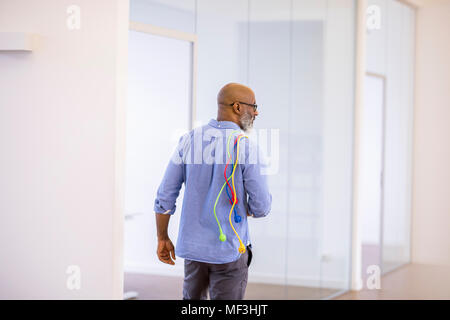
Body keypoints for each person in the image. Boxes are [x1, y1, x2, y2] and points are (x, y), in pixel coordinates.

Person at [154, 82, 272, 300]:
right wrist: (247, 208)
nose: (256, 112)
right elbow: (262, 206)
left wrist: (162, 237)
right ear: (237, 107)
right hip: (228, 251)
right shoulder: (246, 147)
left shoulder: (188, 140)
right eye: (253, 106)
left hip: (193, 252)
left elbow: (165, 196)